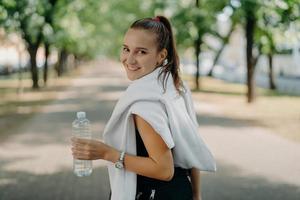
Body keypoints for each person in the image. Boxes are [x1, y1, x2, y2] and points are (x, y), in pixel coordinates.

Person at [71, 16, 216, 200]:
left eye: (141, 52)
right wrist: (196, 194)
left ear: (161, 56)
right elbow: (191, 144)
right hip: (182, 191)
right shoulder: (175, 85)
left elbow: (164, 170)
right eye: (126, 49)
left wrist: (107, 153)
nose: (129, 59)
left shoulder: (144, 104)